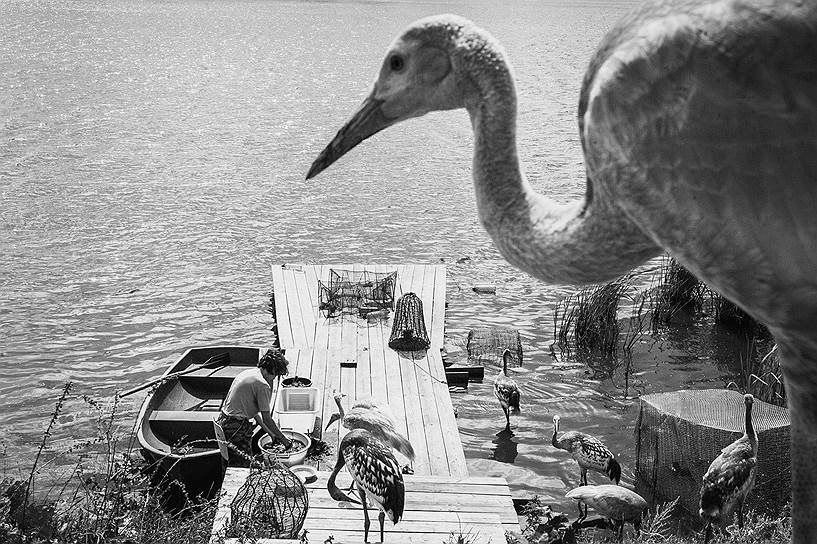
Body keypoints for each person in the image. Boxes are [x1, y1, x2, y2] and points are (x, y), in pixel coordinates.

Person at [217, 348, 293, 467]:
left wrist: (270, 433)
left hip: (223, 420)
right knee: (242, 466)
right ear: (272, 370)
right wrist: (285, 441)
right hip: (236, 427)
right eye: (276, 374)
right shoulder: (262, 385)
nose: (274, 378)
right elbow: (267, 419)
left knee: (229, 460)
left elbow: (255, 414)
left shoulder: (249, 373)